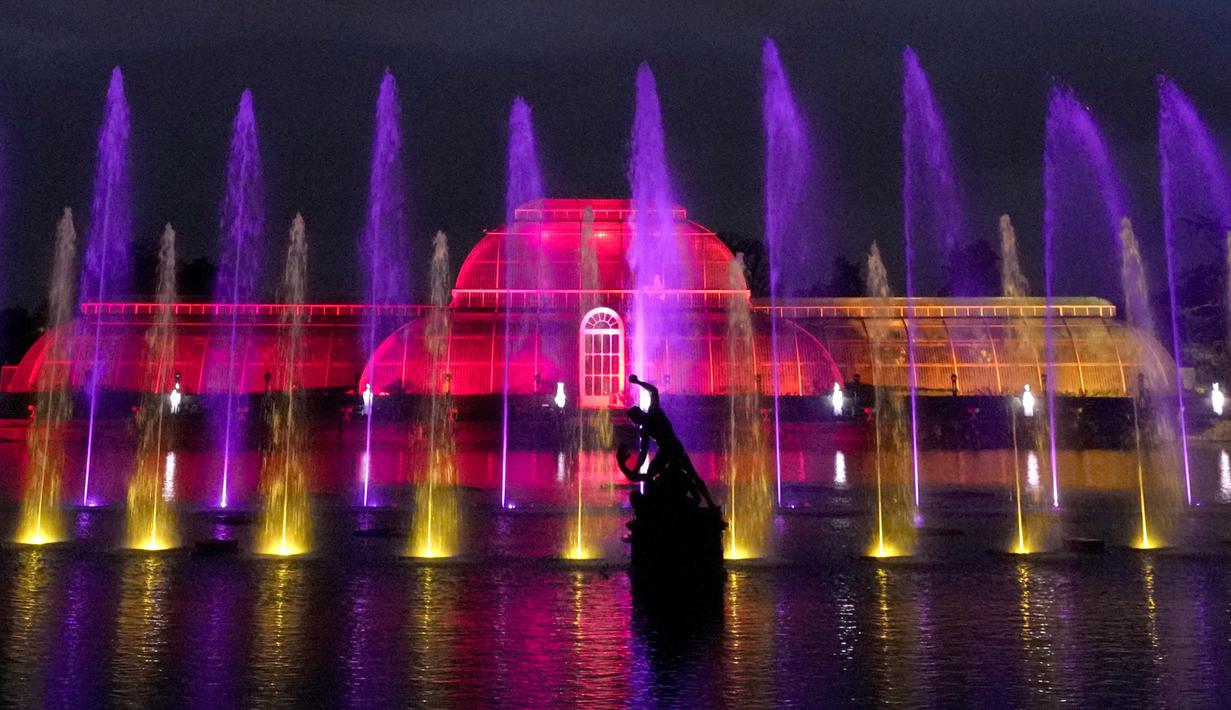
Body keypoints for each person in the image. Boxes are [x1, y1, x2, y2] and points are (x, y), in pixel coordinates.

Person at [618, 374, 716, 510]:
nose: (635, 422)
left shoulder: (654, 412)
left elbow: (654, 391)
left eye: (634, 419)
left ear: (639, 413)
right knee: (652, 473)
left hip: (674, 447)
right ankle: (655, 503)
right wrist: (635, 469)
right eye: (634, 421)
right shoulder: (645, 429)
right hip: (665, 451)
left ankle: (709, 502)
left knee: (691, 474)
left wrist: (639, 382)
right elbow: (643, 452)